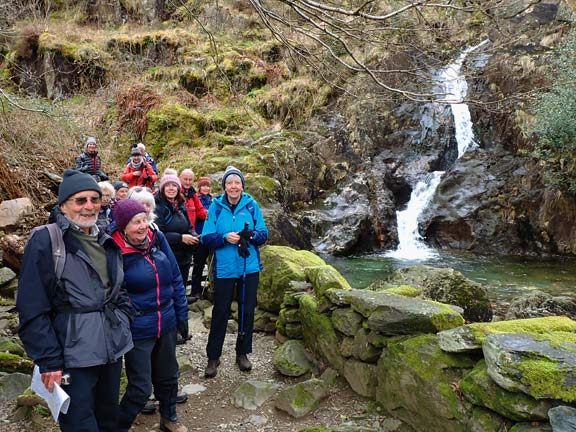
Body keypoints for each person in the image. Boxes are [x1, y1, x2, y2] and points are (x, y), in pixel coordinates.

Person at [17, 169, 134, 431]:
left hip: (110, 349)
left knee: (107, 419)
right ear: (64, 205)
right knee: (79, 424)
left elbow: (119, 290)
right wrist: (48, 361)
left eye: (94, 199)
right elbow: (32, 306)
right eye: (80, 200)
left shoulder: (104, 238)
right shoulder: (47, 240)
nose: (89, 206)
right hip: (72, 354)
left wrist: (125, 320)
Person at [111, 199, 188, 432]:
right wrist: (130, 319)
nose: (143, 226)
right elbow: (115, 293)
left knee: (168, 376)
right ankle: (119, 426)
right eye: (136, 222)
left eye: (145, 219)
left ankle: (169, 418)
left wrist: (181, 313)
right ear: (123, 226)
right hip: (139, 327)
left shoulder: (157, 238)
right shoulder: (114, 251)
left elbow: (175, 275)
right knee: (141, 387)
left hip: (166, 321)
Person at [201, 166, 268, 378]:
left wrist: (251, 235)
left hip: (249, 267)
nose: (233, 186)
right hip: (225, 267)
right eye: (229, 183)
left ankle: (242, 354)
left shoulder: (251, 204)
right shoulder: (216, 207)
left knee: (247, 311)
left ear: (242, 186)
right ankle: (213, 356)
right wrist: (223, 238)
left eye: (237, 182)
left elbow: (264, 234)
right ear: (224, 186)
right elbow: (206, 237)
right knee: (220, 311)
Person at [154, 175, 199, 289]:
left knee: (181, 286)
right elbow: (158, 234)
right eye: (167, 185)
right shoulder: (158, 207)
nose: (171, 188)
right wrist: (180, 238)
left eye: (174, 185)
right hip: (168, 256)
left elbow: (188, 226)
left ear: (178, 189)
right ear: (162, 188)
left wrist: (194, 236)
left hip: (184, 255)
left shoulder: (180, 205)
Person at [180, 169, 208, 301]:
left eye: (190, 180)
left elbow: (200, 211)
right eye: (185, 179)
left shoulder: (193, 195)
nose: (187, 182)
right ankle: (179, 296)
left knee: (192, 264)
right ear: (180, 178)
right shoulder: (175, 191)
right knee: (179, 266)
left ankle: (191, 293)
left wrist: (212, 214)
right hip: (179, 235)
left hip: (192, 234)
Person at [189, 176, 213, 302]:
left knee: (212, 263)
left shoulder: (212, 200)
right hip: (199, 235)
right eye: (203, 186)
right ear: (199, 187)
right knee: (199, 264)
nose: (206, 188)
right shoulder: (196, 199)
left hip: (211, 236)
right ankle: (195, 291)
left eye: (208, 186)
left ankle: (210, 287)